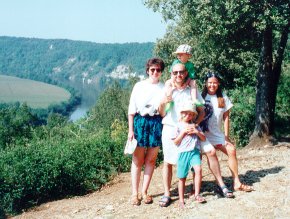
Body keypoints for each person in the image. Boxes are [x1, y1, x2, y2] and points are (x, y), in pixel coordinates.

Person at [159, 63, 233, 208]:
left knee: (209, 152)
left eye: (181, 72)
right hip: (171, 129)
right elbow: (161, 112)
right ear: (171, 74)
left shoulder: (192, 89)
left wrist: (195, 125)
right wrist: (165, 100)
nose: (178, 75)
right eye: (175, 73)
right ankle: (167, 194)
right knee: (168, 162)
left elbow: (202, 111)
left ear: (186, 73)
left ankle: (214, 186)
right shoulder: (167, 89)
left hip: (191, 132)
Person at [201, 71, 254, 192]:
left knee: (231, 150)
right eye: (209, 83)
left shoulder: (223, 98)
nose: (212, 85)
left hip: (217, 134)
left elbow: (226, 117)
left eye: (215, 83)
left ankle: (236, 182)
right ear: (205, 83)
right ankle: (197, 187)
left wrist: (226, 136)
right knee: (200, 157)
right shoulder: (200, 97)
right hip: (203, 135)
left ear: (218, 83)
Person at [127, 58, 165, 206]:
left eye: (158, 70)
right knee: (137, 160)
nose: (155, 72)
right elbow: (131, 109)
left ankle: (144, 192)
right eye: (152, 70)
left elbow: (165, 110)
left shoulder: (164, 88)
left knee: (151, 160)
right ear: (148, 71)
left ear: (161, 72)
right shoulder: (139, 86)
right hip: (140, 122)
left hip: (156, 122)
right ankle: (134, 193)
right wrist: (131, 130)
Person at [172, 101, 206, 209]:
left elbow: (203, 138)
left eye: (191, 114)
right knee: (182, 177)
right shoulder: (178, 126)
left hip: (194, 151)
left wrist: (196, 132)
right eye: (186, 113)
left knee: (198, 170)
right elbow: (175, 142)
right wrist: (183, 133)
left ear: (194, 115)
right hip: (183, 153)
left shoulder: (195, 126)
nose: (188, 116)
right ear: (182, 113)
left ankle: (196, 194)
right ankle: (181, 200)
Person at [165, 44, 197, 112]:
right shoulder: (175, 62)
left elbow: (191, 76)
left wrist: (186, 84)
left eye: (181, 54)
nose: (178, 56)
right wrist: (173, 84)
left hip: (186, 80)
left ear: (188, 56)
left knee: (193, 83)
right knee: (168, 83)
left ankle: (194, 99)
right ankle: (169, 100)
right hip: (175, 79)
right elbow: (172, 73)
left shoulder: (190, 65)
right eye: (178, 54)